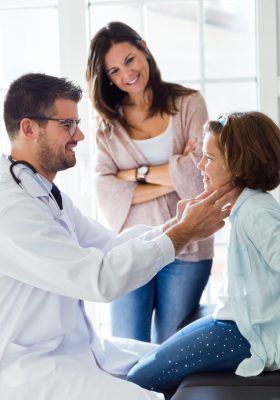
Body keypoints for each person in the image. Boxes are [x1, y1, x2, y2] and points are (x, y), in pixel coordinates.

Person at [0, 72, 235, 400]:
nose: (79, 135)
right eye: (66, 124)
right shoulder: (10, 209)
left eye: (77, 123)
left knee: (172, 361)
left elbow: (111, 245)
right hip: (35, 369)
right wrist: (183, 233)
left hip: (82, 350)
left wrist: (176, 224)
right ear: (28, 128)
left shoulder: (45, 193)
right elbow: (99, 279)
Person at [126, 111, 280, 393]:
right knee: (143, 368)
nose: (199, 166)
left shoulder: (257, 212)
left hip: (243, 334)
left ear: (238, 164)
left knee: (138, 381)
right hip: (230, 321)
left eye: (209, 158)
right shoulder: (249, 206)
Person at [86, 21, 213, 344]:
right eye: (113, 71)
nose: (126, 74)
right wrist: (175, 174)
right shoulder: (107, 125)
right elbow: (105, 189)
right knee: (127, 347)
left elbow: (201, 179)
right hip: (132, 246)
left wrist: (134, 175)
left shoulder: (189, 104)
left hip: (188, 246)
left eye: (129, 59)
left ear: (143, 46)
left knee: (171, 350)